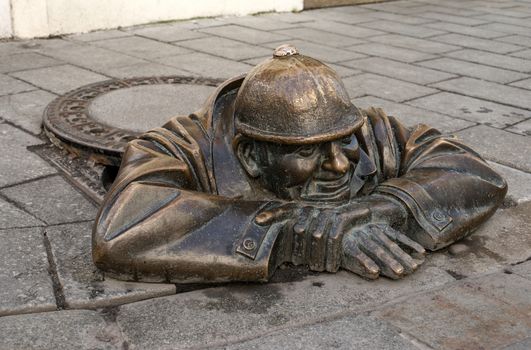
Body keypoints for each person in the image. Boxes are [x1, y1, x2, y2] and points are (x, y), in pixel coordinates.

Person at [92, 44, 506, 283]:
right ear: (252, 156)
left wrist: (383, 208)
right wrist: (297, 232)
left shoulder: (367, 130)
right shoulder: (181, 145)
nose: (341, 165)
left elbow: (471, 169)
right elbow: (123, 230)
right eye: (307, 151)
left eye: (343, 142)